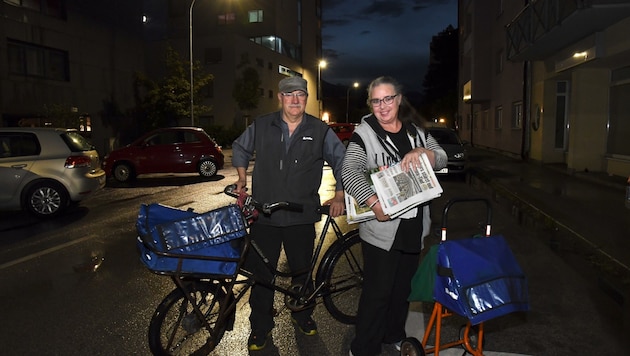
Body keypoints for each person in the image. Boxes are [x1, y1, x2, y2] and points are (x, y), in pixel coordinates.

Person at [231, 76, 346, 351]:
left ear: (306, 98)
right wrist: (240, 178)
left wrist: (340, 194)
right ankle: (260, 327)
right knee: (262, 276)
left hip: (301, 216)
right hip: (265, 215)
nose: (295, 100)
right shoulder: (261, 125)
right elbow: (239, 147)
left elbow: (342, 159)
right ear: (280, 97)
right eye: (289, 94)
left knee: (302, 272)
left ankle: (302, 315)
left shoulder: (319, 130)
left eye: (300, 95)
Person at [342, 76, 447, 356]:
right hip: (381, 231)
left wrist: (425, 152)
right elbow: (349, 170)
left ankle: (393, 335)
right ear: (371, 104)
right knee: (378, 294)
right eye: (376, 100)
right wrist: (373, 201)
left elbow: (442, 156)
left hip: (414, 227)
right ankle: (363, 348)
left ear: (399, 100)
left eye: (388, 98)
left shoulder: (416, 132)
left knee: (402, 291)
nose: (382, 105)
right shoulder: (364, 134)